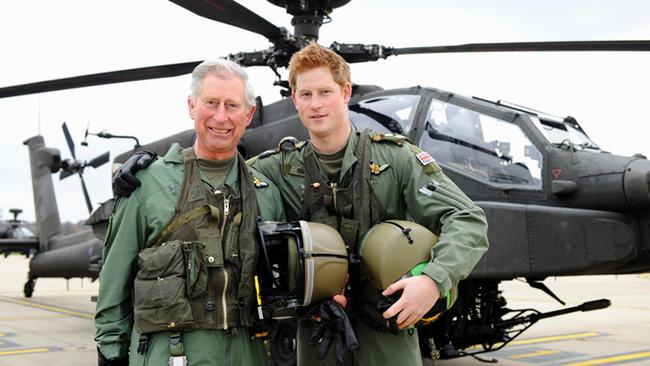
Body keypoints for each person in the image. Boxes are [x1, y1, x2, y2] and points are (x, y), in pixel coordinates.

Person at [114, 43, 489, 365]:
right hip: (316, 339)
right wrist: (150, 164)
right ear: (294, 99)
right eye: (305, 95)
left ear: (345, 93)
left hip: (388, 337)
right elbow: (216, 164)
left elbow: (467, 219)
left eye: (325, 92)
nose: (315, 104)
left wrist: (432, 281)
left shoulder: (396, 160)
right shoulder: (276, 170)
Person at [95, 59, 285, 366]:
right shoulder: (148, 184)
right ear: (191, 106)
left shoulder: (267, 192)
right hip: (170, 353)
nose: (221, 116)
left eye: (232, 105)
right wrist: (111, 352)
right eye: (211, 103)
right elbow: (115, 276)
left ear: (248, 114)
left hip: (247, 353)